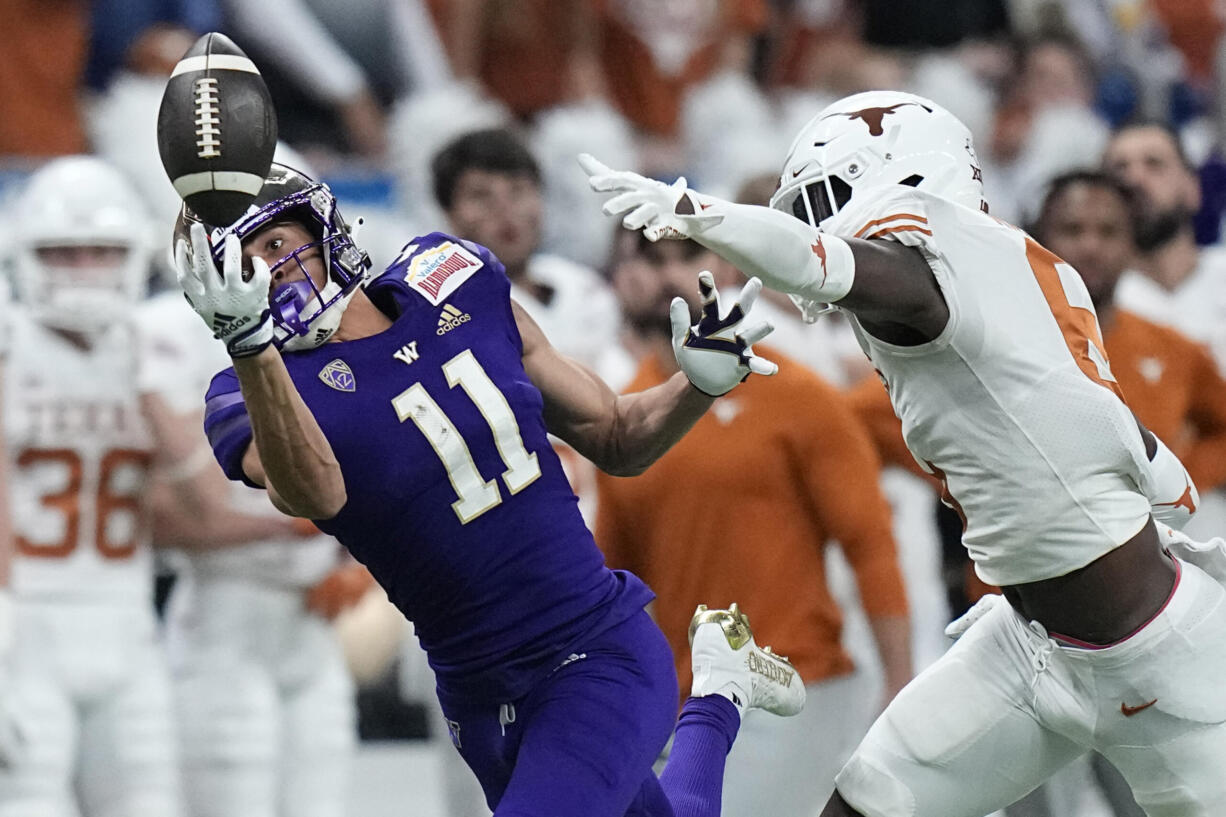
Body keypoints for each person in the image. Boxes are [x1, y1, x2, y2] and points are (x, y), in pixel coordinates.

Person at [584, 90, 1226, 817]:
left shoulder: (936, 260)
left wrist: (702, 214)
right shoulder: (1006, 264)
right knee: (865, 803)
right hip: (1030, 644)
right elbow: (1082, 414)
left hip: (1159, 657)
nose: (814, 219)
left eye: (823, 197)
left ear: (907, 176)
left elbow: (815, 259)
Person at [174, 160, 803, 817]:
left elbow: (616, 434)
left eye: (275, 243)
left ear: (325, 225)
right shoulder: (243, 395)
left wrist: (695, 384)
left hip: (594, 649)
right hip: (478, 693)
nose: (266, 270)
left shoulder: (453, 281)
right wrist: (252, 351)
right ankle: (718, 694)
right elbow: (316, 493)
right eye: (238, 265)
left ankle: (712, 694)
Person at [596, 230, 912, 816]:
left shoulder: (798, 396)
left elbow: (870, 545)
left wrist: (899, 683)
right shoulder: (625, 417)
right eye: (651, 259)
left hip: (790, 681)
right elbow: (615, 577)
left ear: (725, 266)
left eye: (686, 257)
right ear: (625, 275)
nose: (670, 276)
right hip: (674, 701)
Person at [138, 278, 372, 817]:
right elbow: (157, 513)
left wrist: (363, 560)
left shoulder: (331, 319)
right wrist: (296, 526)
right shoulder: (166, 333)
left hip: (313, 626)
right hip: (225, 613)